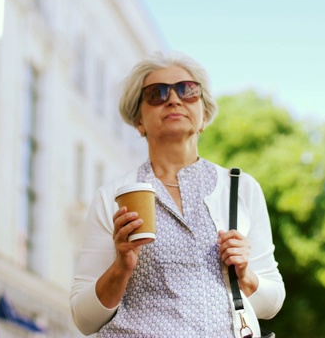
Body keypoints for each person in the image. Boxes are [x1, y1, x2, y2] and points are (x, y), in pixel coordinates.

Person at [69, 51, 285, 337]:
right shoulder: (112, 197)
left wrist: (244, 274)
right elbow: (84, 320)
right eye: (156, 94)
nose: (173, 99)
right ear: (139, 121)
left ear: (204, 115)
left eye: (188, 91)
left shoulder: (241, 188)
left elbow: (271, 303)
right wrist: (121, 267)